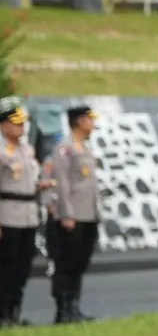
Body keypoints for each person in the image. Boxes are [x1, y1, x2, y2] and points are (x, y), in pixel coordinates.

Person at [45, 104, 99, 324]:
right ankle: (63, 309)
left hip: (88, 215)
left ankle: (74, 307)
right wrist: (66, 214)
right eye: (90, 119)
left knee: (79, 262)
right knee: (65, 263)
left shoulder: (84, 148)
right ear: (80, 121)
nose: (93, 124)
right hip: (72, 216)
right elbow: (63, 184)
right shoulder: (64, 148)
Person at [0, 99, 50, 326]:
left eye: (23, 124)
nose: (21, 128)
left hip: (28, 216)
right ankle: (3, 315)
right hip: (7, 216)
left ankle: (14, 312)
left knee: (22, 268)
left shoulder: (26, 150)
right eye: (16, 124)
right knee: (6, 268)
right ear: (3, 125)